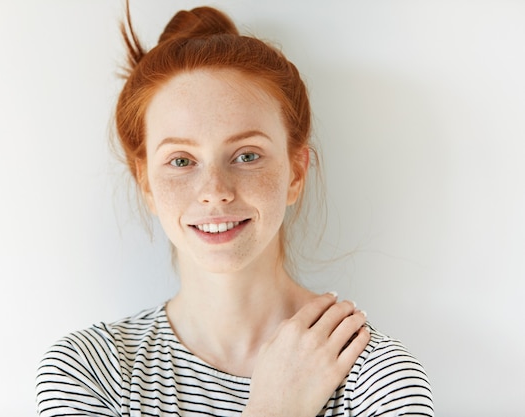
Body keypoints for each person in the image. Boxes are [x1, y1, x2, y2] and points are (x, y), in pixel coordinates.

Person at [35, 4, 433, 416]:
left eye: (246, 156)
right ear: (147, 184)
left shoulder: (376, 378)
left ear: (296, 173)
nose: (215, 192)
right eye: (181, 161)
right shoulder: (89, 372)